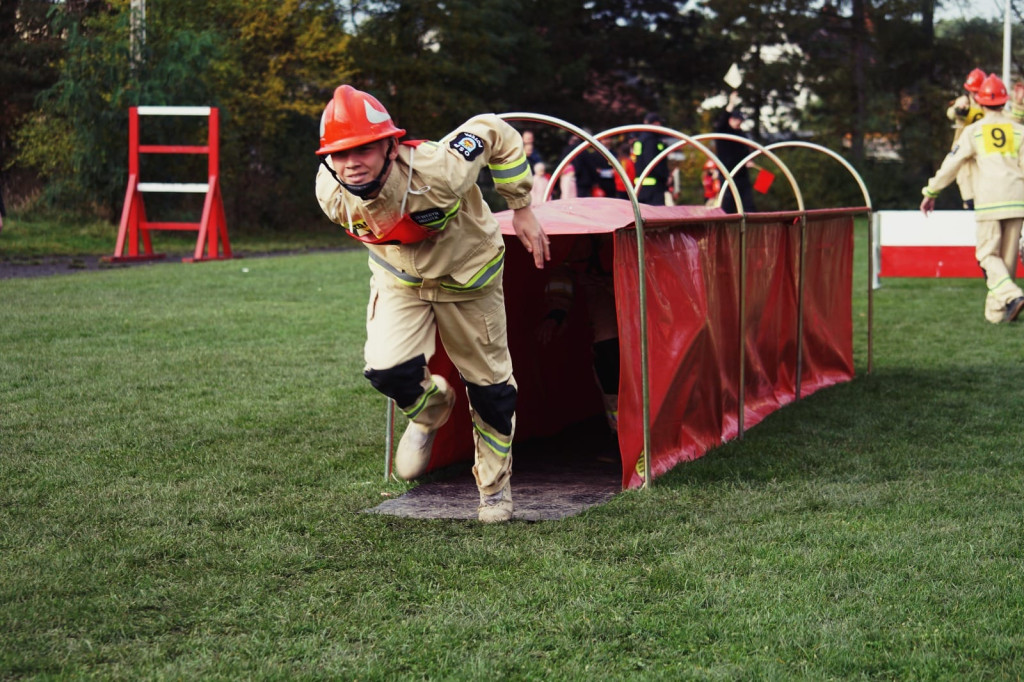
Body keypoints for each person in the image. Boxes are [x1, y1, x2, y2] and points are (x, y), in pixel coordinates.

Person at [314, 85, 550, 523]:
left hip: (469, 277)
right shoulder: (330, 192)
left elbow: (494, 128)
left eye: (364, 148)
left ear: (390, 144)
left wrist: (520, 205)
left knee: (492, 390)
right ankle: (430, 414)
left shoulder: (440, 168)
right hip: (402, 281)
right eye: (339, 153)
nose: (352, 162)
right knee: (385, 369)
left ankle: (495, 492)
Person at [920, 74, 1024, 324]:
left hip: (990, 198)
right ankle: (998, 314)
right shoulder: (1019, 130)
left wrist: (931, 191)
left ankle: (1012, 294)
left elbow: (951, 164)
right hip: (1018, 198)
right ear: (1004, 101)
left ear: (980, 99)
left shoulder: (973, 132)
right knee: (1007, 258)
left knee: (987, 255)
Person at [537, 234, 619, 433]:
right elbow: (562, 278)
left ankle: (632, 433)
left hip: (635, 317)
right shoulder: (570, 261)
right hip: (607, 328)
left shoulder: (617, 243)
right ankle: (620, 433)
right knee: (608, 364)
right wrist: (555, 315)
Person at [946, 68, 986, 209]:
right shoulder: (964, 100)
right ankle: (968, 204)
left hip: (981, 150)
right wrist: (959, 110)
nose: (974, 94)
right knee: (965, 181)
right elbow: (951, 113)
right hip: (963, 147)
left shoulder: (985, 103)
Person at [714, 91, 756, 214]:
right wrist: (731, 102)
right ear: (731, 120)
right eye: (736, 120)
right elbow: (723, 118)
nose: (739, 123)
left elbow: (745, 150)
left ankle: (750, 229)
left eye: (740, 120)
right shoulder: (723, 132)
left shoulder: (741, 134)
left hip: (742, 174)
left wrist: (749, 160)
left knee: (748, 205)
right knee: (728, 206)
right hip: (728, 174)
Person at [631, 112, 669, 205]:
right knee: (656, 215)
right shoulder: (651, 140)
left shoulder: (640, 139)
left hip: (641, 187)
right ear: (655, 123)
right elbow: (653, 163)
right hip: (654, 188)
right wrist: (665, 176)